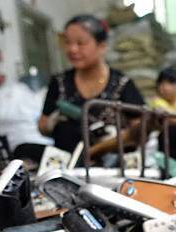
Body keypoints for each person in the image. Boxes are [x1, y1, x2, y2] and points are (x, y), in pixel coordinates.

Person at [38, 15, 145, 157]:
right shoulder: (59, 82)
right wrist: (52, 123)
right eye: (67, 42)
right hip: (68, 165)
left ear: (101, 46)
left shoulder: (122, 84)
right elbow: (43, 125)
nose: (72, 49)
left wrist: (112, 140)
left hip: (112, 164)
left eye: (80, 43)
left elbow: (141, 130)